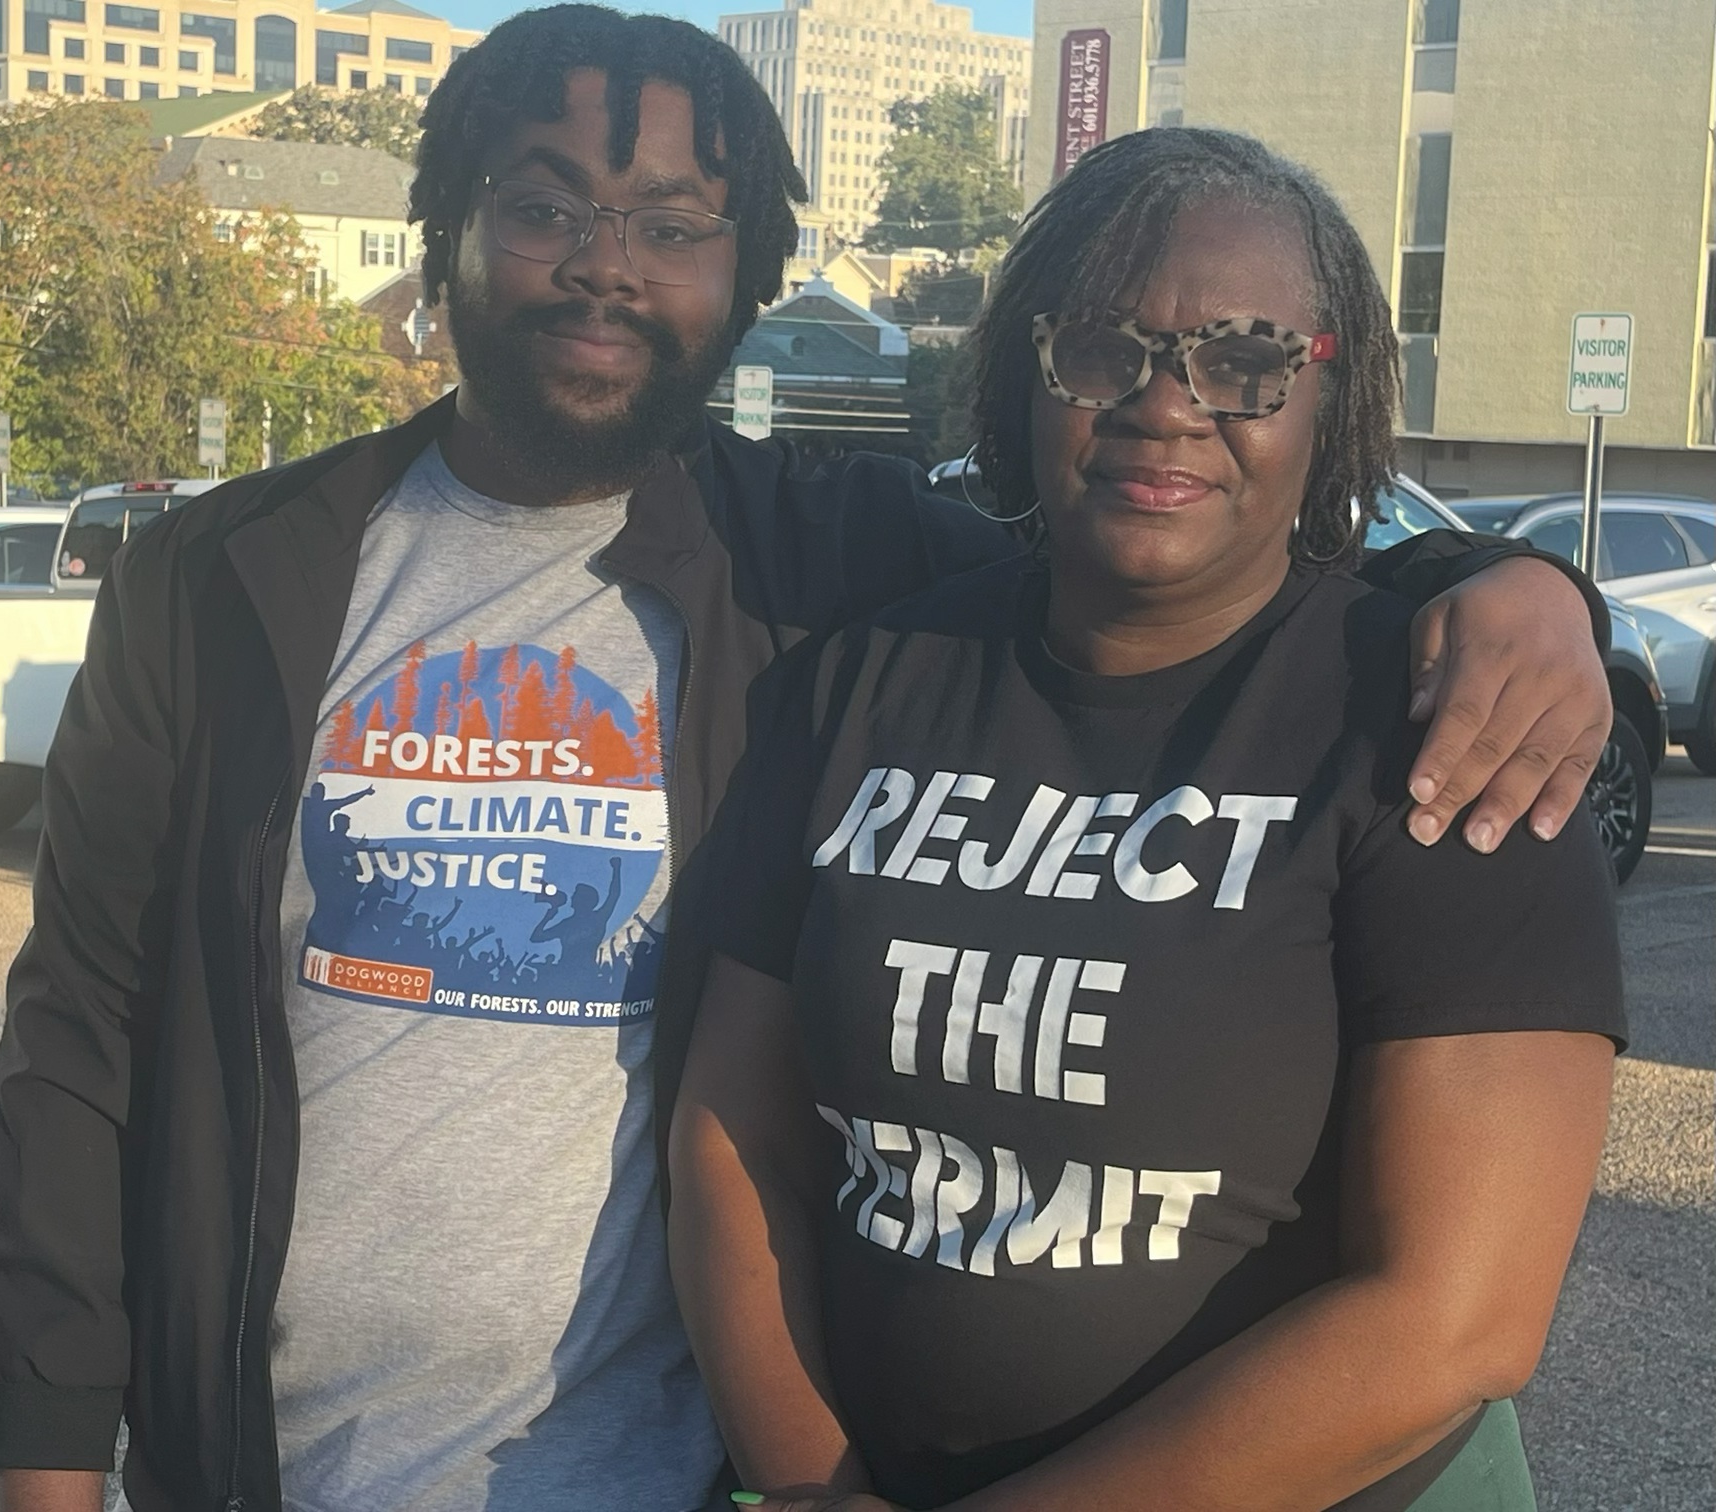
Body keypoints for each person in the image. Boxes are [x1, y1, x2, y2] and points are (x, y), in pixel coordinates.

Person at [0, 10, 1612, 1511]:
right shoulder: (219, 584)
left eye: (676, 226)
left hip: (664, 1477)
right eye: (546, 205)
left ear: (748, 272)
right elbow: (81, 1039)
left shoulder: (825, 567)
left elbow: (1179, 548)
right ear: (447, 229)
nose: (605, 267)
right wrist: (51, 1457)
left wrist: (1516, 586)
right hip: (269, 1462)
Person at [668, 128, 1624, 1512]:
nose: (1165, 408)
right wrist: (814, 1488)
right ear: (1028, 370)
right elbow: (732, 1128)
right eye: (1105, 350)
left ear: (1324, 396)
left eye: (1244, 363)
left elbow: (1453, 1319)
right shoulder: (863, 685)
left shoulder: (1442, 730)